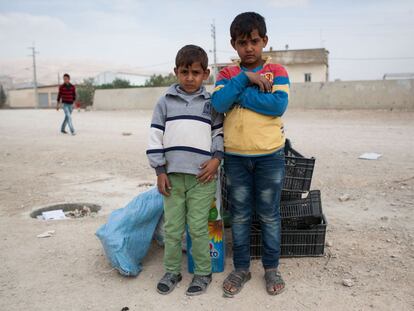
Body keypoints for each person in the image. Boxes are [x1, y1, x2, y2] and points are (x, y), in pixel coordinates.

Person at [211, 12, 290, 296]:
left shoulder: (278, 71)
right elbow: (219, 103)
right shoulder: (227, 74)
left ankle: (271, 269)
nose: (249, 47)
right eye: (242, 42)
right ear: (234, 44)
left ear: (264, 41)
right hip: (236, 158)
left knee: (269, 215)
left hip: (270, 156)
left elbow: (277, 106)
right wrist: (246, 78)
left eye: (254, 41)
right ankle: (241, 268)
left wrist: (239, 93)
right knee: (241, 215)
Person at [146, 45, 224, 296]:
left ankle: (203, 273)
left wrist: (216, 159)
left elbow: (218, 133)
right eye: (184, 72)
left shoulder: (212, 103)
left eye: (196, 72)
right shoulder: (165, 102)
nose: (190, 78)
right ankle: (171, 271)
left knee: (198, 227)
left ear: (206, 74)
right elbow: (155, 136)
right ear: (176, 72)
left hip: (203, 178)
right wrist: (159, 170)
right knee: (172, 228)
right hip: (172, 178)